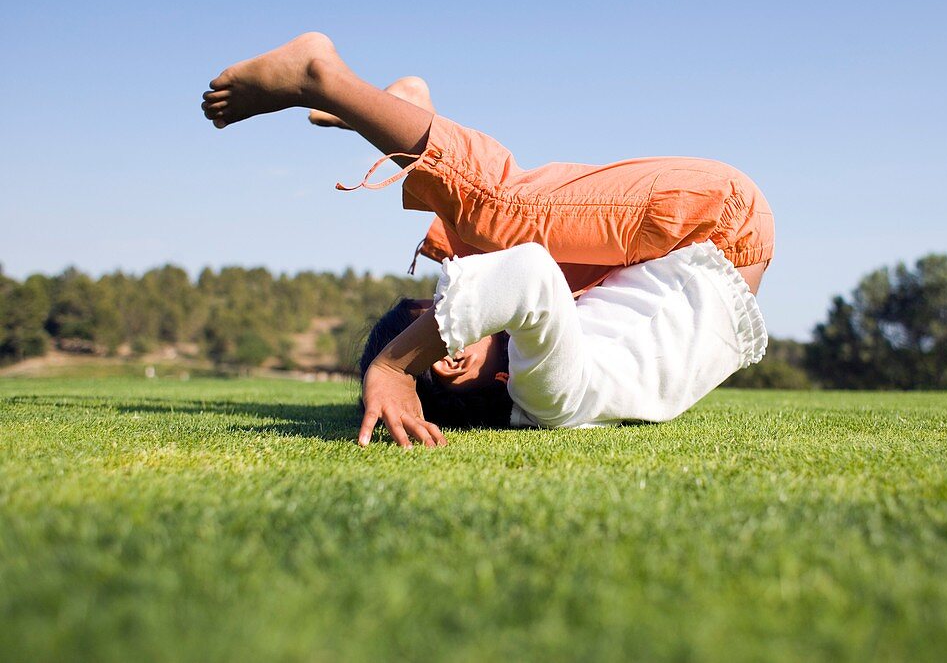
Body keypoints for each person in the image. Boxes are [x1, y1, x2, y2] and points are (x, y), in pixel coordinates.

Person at [202, 33, 774, 448]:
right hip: (718, 224)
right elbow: (524, 275)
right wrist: (394, 367)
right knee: (501, 210)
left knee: (480, 240)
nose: (449, 308)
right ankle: (322, 78)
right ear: (449, 363)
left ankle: (404, 116)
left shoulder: (541, 382)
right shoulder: (550, 392)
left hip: (688, 250)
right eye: (444, 319)